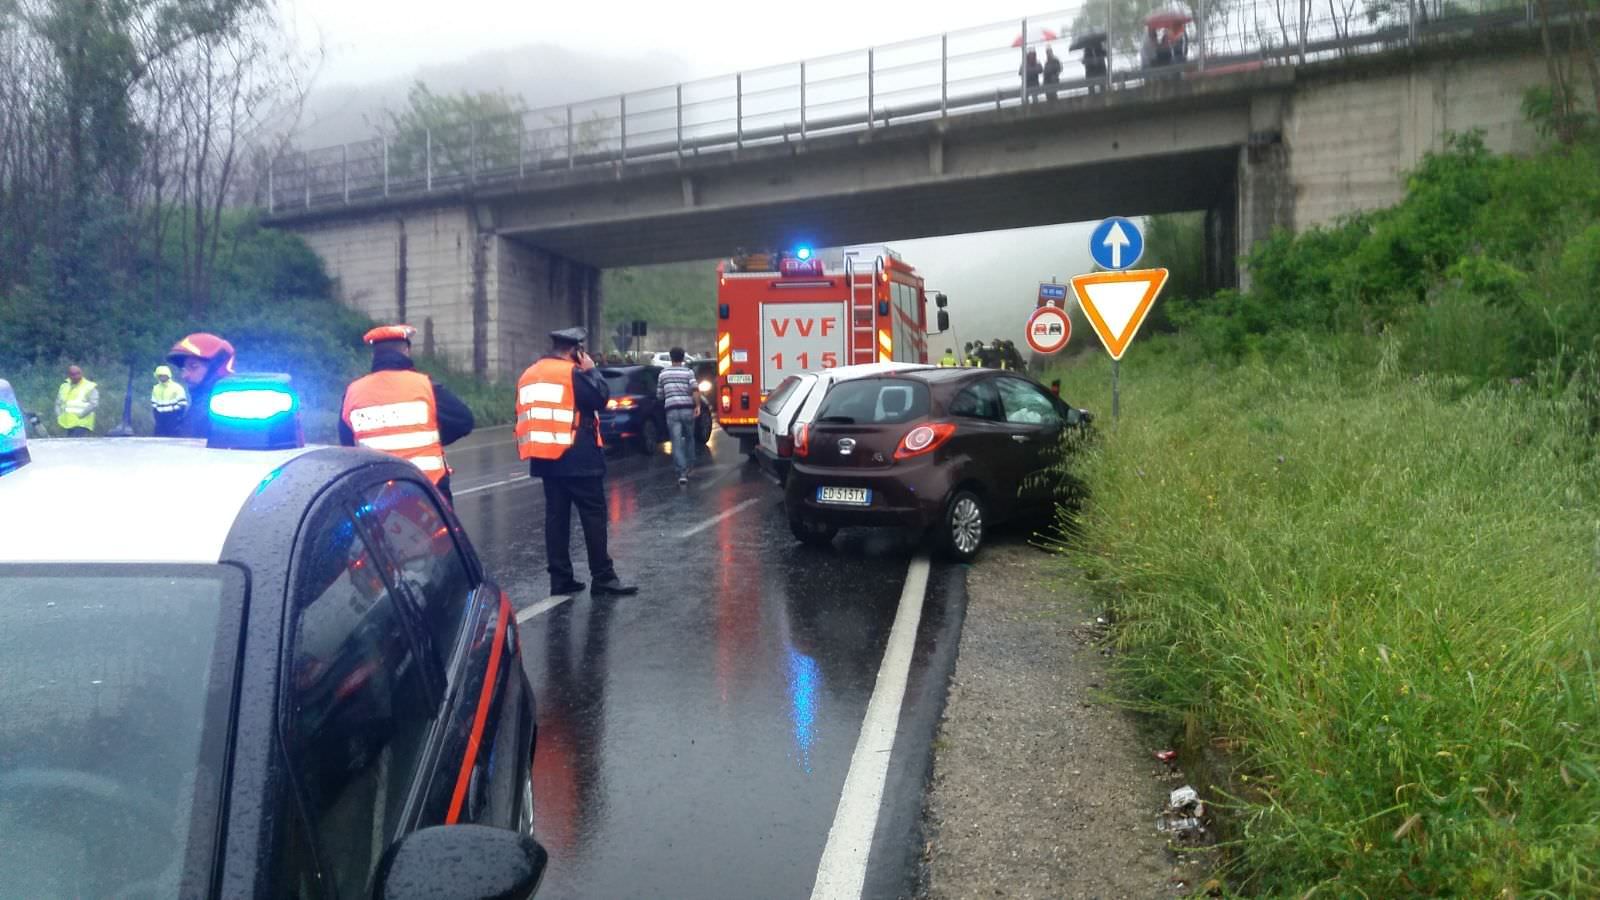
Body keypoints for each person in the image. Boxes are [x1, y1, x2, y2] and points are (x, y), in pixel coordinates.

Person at [516, 327, 638, 597]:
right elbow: (600, 398)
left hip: (545, 458)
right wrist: (592, 371)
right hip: (577, 457)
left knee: (556, 519)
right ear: (576, 351)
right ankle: (603, 577)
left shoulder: (529, 373)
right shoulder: (571, 374)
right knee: (593, 517)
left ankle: (560, 579)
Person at [340, 324, 476, 504]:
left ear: (374, 355)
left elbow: (347, 443)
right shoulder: (425, 385)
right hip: (427, 487)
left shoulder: (353, 391)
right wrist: (434, 437)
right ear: (405, 350)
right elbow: (464, 421)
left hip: (377, 490)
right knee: (438, 533)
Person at [166, 332, 235, 439]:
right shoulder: (198, 405)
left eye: (193, 367)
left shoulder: (226, 409)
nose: (184, 375)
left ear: (215, 368)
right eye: (183, 369)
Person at [656, 346, 700, 485]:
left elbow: (659, 395)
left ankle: (681, 473)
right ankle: (690, 466)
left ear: (670, 357)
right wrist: (697, 406)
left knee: (676, 442)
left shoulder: (663, 374)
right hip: (687, 409)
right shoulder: (689, 372)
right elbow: (695, 390)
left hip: (672, 410)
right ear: (683, 358)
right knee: (689, 438)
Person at [55, 365, 98, 437]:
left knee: (75, 444)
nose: (76, 376)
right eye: (73, 374)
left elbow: (93, 404)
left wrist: (81, 415)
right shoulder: (64, 386)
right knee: (70, 445)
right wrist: (59, 415)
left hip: (82, 424)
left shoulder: (89, 386)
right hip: (67, 423)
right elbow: (58, 402)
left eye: (78, 373)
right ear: (69, 375)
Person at [150, 365, 189, 437]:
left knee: (173, 439)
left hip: (173, 417)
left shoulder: (177, 387)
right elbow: (154, 403)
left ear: (168, 375)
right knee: (158, 439)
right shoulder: (156, 388)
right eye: (160, 375)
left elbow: (182, 404)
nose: (162, 377)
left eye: (164, 375)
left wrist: (177, 417)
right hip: (160, 418)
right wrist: (157, 416)